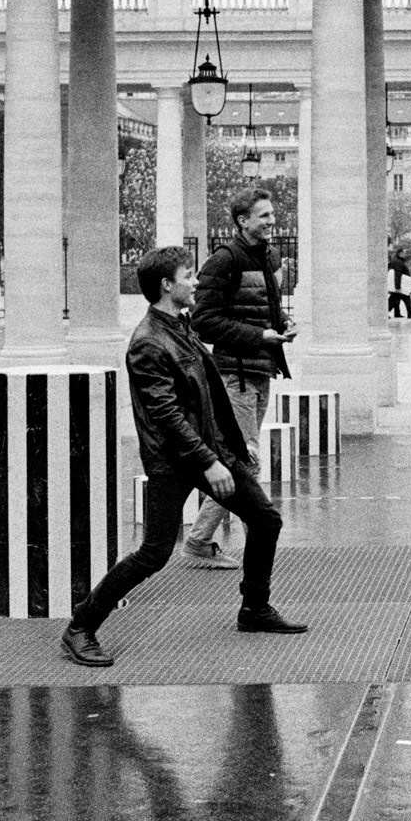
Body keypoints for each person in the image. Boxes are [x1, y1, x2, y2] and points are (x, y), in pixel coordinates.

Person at [60, 247, 303, 667]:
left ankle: (254, 608)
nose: (195, 282)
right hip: (175, 460)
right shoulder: (148, 343)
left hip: (208, 451)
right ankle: (80, 626)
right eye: (187, 276)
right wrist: (209, 462)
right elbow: (167, 415)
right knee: (154, 553)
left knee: (265, 519)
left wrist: (229, 449)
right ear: (166, 286)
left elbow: (206, 397)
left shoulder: (180, 326)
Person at [187, 190, 293, 570]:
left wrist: (280, 325)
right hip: (236, 376)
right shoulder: (224, 261)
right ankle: (228, 542)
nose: (270, 221)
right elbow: (203, 321)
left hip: (260, 371)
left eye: (271, 214)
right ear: (242, 221)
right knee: (244, 462)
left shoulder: (264, 256)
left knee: (241, 462)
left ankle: (199, 539)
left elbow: (262, 310)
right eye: (262, 216)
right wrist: (260, 336)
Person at [387, 247, 411, 319]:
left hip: (400, 285)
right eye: (404, 253)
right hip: (401, 285)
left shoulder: (397, 261)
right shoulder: (399, 262)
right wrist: (397, 287)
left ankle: (398, 313)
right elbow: (397, 274)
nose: (405, 254)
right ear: (400, 253)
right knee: (397, 299)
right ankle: (410, 314)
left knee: (395, 299)